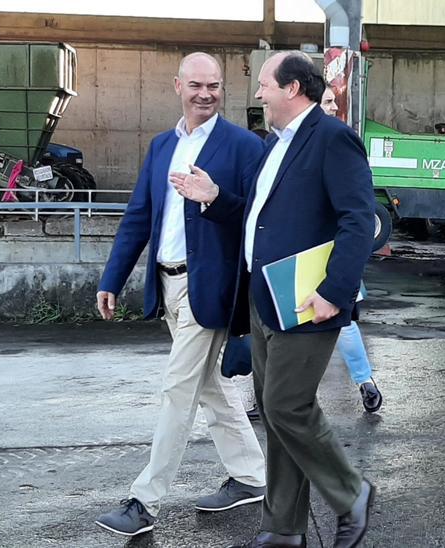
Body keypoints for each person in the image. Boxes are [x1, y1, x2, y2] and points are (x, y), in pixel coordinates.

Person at [178, 51, 376, 548]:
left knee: (287, 405)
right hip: (266, 297)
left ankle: (351, 492)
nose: (259, 92)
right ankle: (283, 527)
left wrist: (336, 291)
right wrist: (213, 198)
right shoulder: (275, 144)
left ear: (292, 89)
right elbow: (258, 217)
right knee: (274, 407)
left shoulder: (332, 138)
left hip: (309, 298)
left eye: (265, 84)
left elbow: (359, 220)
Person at [92, 52, 267, 537]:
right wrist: (111, 278)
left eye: (213, 85)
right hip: (166, 282)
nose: (205, 94)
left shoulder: (243, 147)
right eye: (196, 85)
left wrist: (214, 198)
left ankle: (145, 501)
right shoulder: (162, 145)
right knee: (211, 385)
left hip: (209, 287)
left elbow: (258, 219)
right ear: (178, 86)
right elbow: (138, 217)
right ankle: (253, 475)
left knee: (179, 389)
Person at [320, 86, 383, 413]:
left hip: (330, 255)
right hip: (309, 257)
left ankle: (364, 381)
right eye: (327, 101)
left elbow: (355, 213)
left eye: (334, 101)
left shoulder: (338, 141)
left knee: (342, 324)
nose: (334, 107)